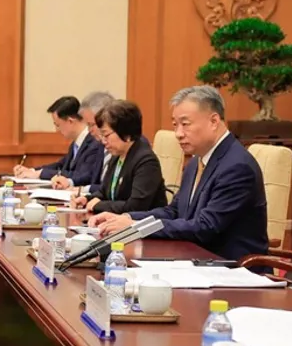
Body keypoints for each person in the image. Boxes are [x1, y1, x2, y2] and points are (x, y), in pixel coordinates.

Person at [91, 85, 267, 260]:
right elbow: (174, 211)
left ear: (214, 121)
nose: (178, 133)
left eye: (185, 124)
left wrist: (136, 226)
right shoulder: (196, 162)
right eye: (175, 125)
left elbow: (205, 227)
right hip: (192, 258)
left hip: (230, 267)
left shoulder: (236, 166)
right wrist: (126, 218)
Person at [75, 100, 166, 215]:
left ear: (126, 133)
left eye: (106, 135)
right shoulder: (117, 156)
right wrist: (87, 199)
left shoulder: (146, 161)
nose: (103, 141)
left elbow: (136, 207)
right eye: (102, 135)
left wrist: (98, 205)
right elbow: (104, 192)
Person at [11, 92, 111, 191]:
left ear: (70, 121)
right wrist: (32, 171)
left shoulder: (95, 142)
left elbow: (84, 175)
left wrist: (40, 174)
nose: (56, 130)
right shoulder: (76, 144)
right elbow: (60, 165)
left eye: (58, 125)